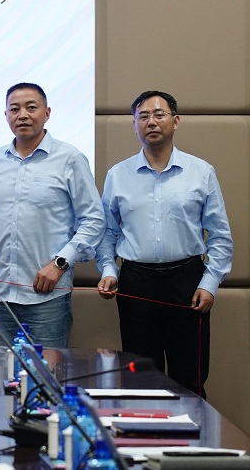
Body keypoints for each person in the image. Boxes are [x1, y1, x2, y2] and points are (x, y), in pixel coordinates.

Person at [96, 90, 232, 397]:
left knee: (190, 380)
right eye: (143, 116)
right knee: (140, 380)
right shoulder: (118, 174)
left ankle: (192, 430)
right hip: (135, 282)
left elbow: (220, 235)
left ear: (176, 121)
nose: (151, 122)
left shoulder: (201, 172)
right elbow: (106, 233)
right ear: (134, 125)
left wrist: (210, 283)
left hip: (187, 282)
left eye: (159, 114)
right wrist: (109, 270)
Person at [0, 83, 104, 348]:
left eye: (31, 107)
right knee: (4, 371)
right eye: (14, 109)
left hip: (47, 297)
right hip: (0, 295)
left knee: (46, 372)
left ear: (47, 113)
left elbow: (94, 219)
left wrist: (60, 264)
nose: (22, 115)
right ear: (6, 115)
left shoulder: (70, 158)